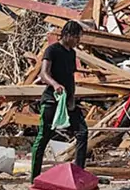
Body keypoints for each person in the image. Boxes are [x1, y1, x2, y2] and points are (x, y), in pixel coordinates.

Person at [31, 20, 88, 180]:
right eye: (77, 38)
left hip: (67, 103)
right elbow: (44, 74)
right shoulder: (52, 50)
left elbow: (70, 78)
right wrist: (55, 84)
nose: (78, 41)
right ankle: (34, 177)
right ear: (68, 35)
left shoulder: (72, 53)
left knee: (82, 132)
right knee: (43, 137)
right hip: (51, 100)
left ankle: (78, 174)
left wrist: (72, 101)